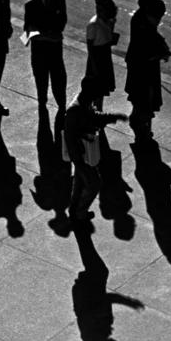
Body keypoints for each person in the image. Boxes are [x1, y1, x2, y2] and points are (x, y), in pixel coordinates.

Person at [63, 76, 128, 228]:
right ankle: (79, 212)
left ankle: (75, 211)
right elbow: (71, 137)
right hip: (81, 155)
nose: (98, 97)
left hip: (82, 153)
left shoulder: (84, 102)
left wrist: (114, 117)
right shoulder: (75, 111)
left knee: (80, 184)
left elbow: (94, 116)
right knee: (93, 184)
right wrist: (78, 160)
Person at [124, 0, 171, 143]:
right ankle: (141, 131)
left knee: (147, 101)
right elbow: (144, 44)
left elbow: (153, 33)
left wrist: (162, 47)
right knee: (142, 100)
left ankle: (145, 130)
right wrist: (159, 52)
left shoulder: (144, 18)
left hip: (146, 65)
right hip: (141, 66)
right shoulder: (139, 20)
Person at [23, 0, 67, 114]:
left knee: (59, 81)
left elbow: (62, 23)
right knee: (41, 83)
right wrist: (49, 34)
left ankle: (62, 106)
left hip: (53, 50)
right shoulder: (30, 5)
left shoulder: (60, 0)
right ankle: (43, 105)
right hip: (40, 51)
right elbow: (27, 29)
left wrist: (42, 33)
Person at [85, 0, 119, 109]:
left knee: (101, 89)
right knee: (94, 88)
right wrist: (94, 67)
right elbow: (90, 47)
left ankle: (98, 109)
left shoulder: (110, 20)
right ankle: (92, 111)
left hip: (105, 54)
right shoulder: (93, 25)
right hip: (97, 56)